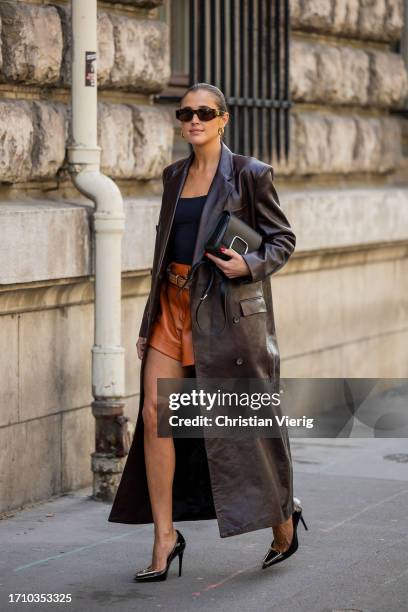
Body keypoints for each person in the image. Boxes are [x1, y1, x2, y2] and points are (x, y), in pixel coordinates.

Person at [108, 83, 307, 582]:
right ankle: (164, 538)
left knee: (241, 425)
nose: (193, 120)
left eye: (204, 113)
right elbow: (161, 256)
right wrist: (147, 319)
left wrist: (250, 264)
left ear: (223, 120)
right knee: (156, 414)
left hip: (222, 314)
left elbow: (283, 239)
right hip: (171, 309)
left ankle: (284, 519)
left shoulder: (249, 174)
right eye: (186, 113)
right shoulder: (173, 176)